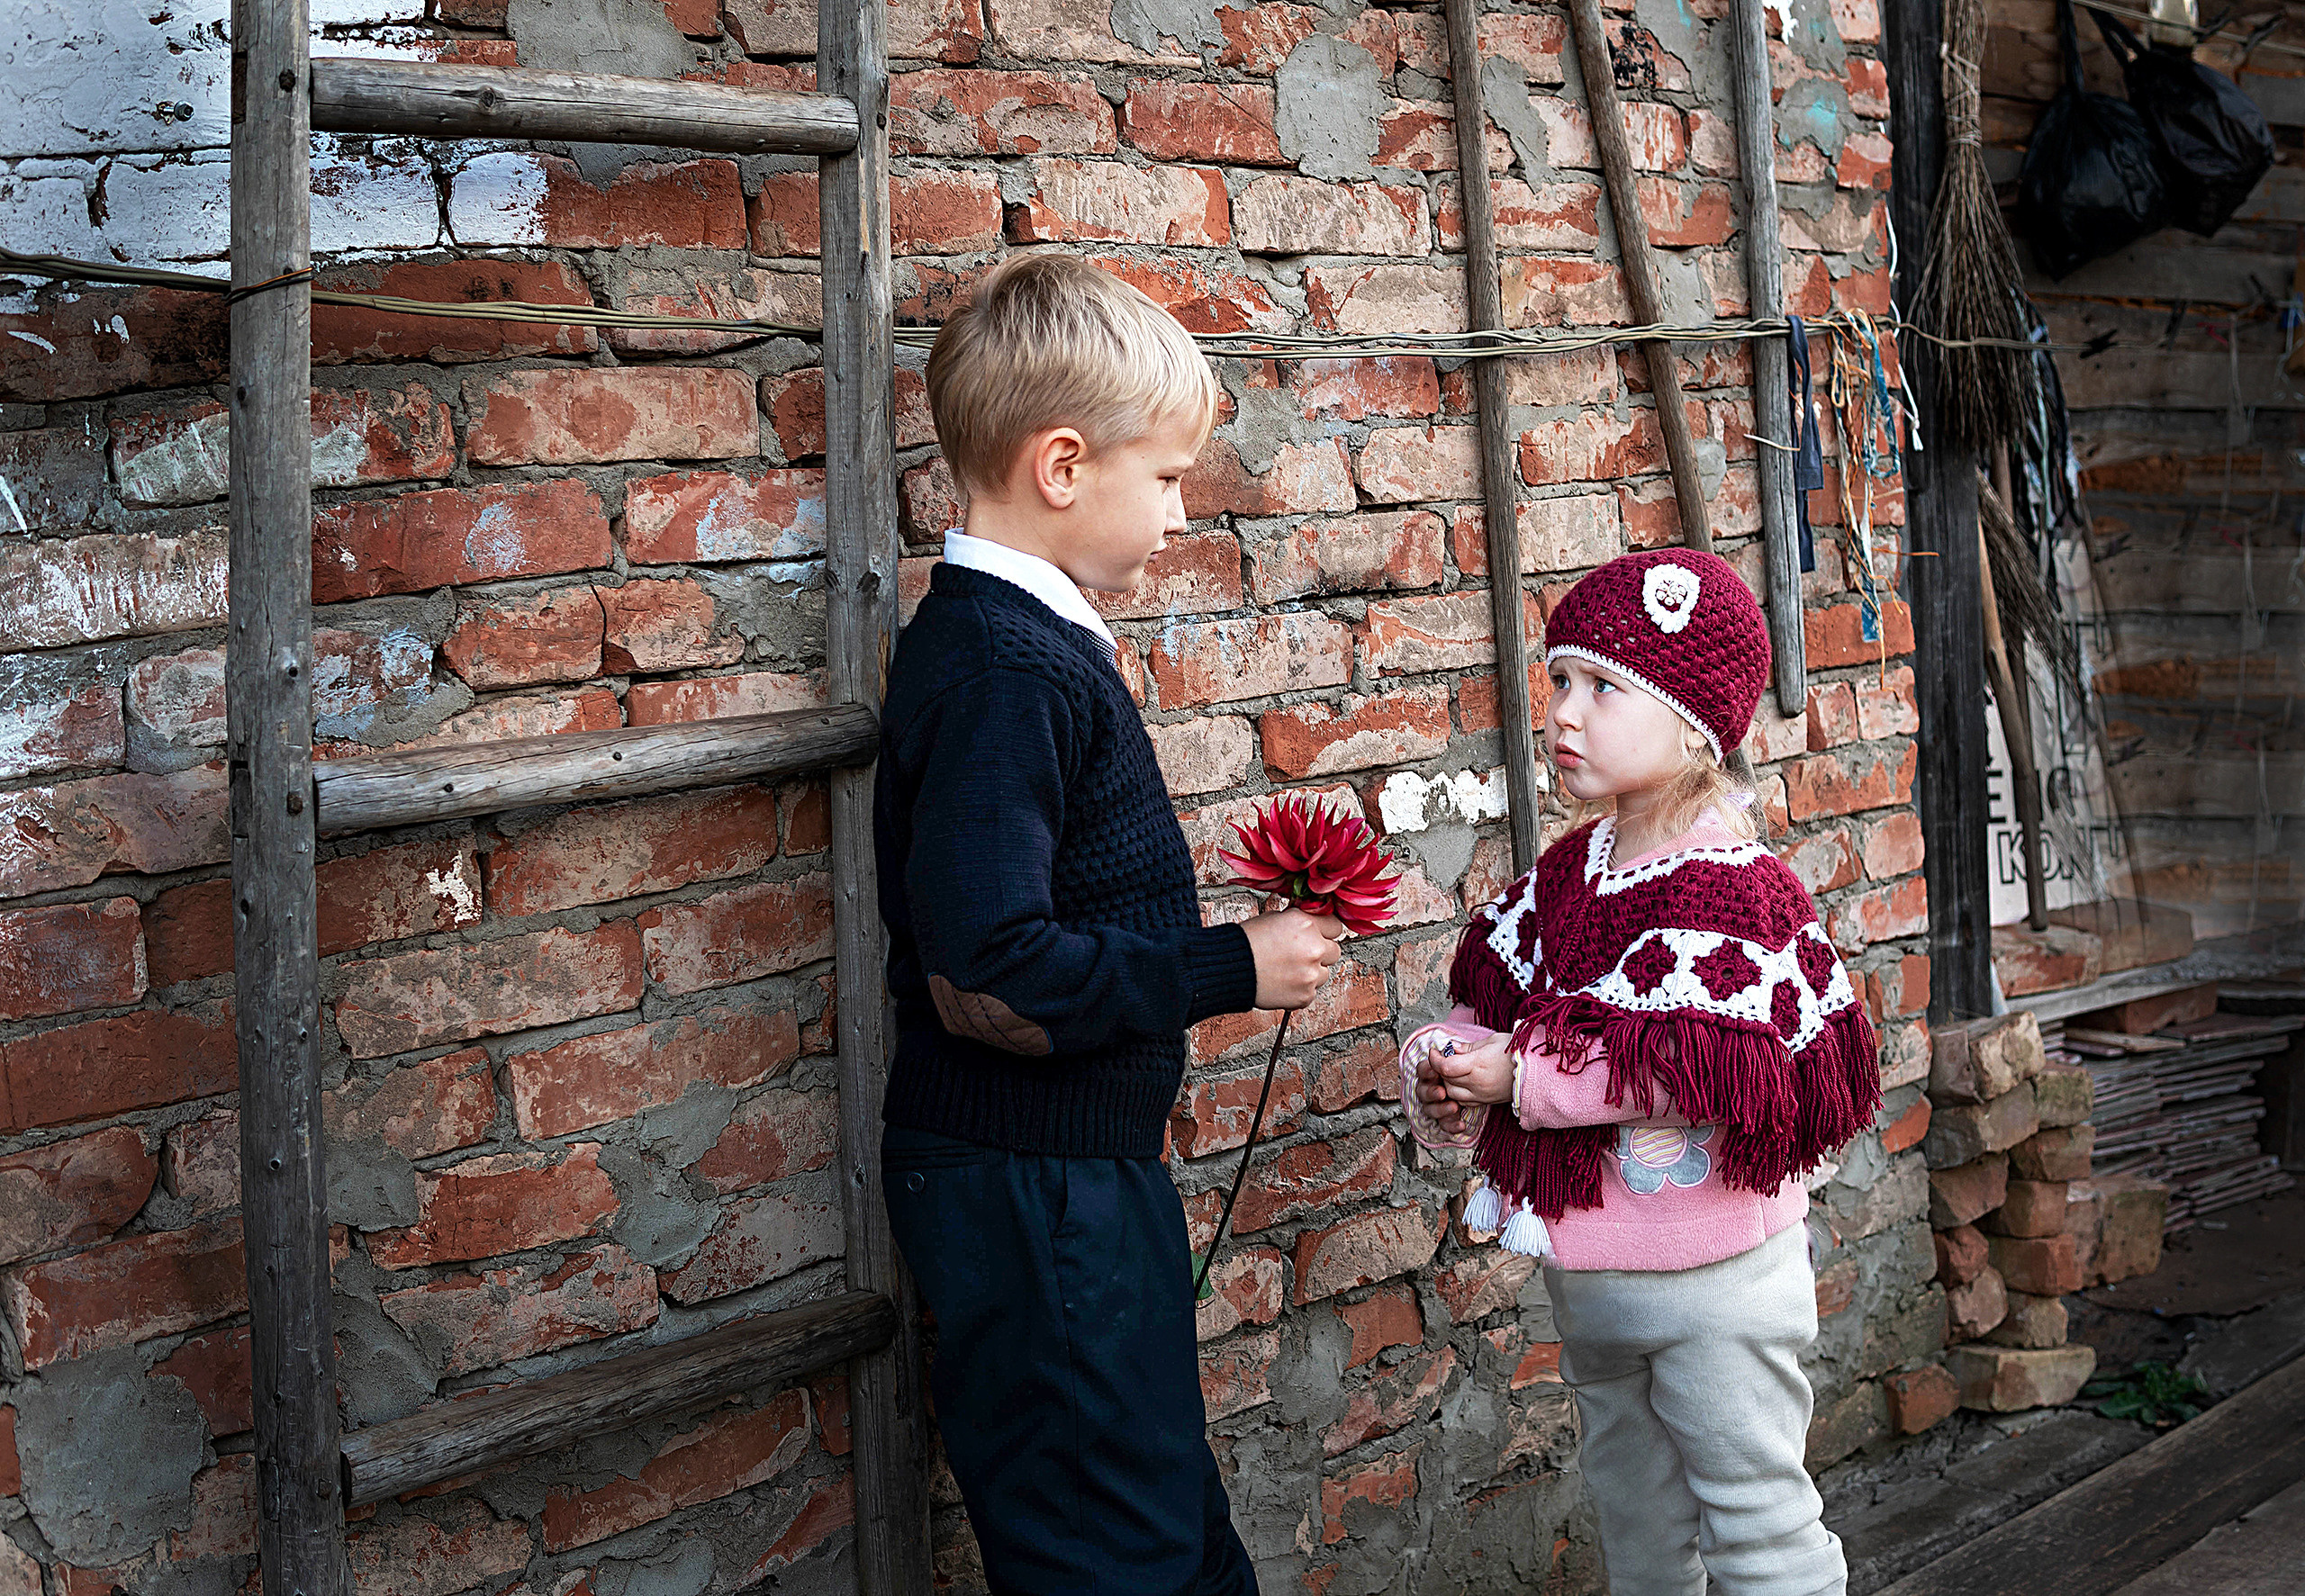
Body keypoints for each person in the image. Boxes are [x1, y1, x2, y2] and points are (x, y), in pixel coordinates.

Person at [873, 253, 1344, 1595]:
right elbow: (987, 977)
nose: (1183, 514)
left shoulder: (1026, 645)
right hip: (1034, 1192)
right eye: (1171, 477)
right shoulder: (1004, 669)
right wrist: (1229, 966)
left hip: (1072, 1178)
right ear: (1064, 466)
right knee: (1110, 1558)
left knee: (1164, 1533)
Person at [1397, 549, 1878, 1596]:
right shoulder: (1567, 875)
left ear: (1694, 724)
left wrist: (1520, 1076)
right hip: (1595, 1282)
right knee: (1638, 1529)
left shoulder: (1732, 886)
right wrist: (1446, 1055)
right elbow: (1500, 998)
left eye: (1603, 688)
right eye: (1559, 681)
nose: (1564, 713)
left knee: (1757, 1521)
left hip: (1718, 1285)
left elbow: (1689, 1061)